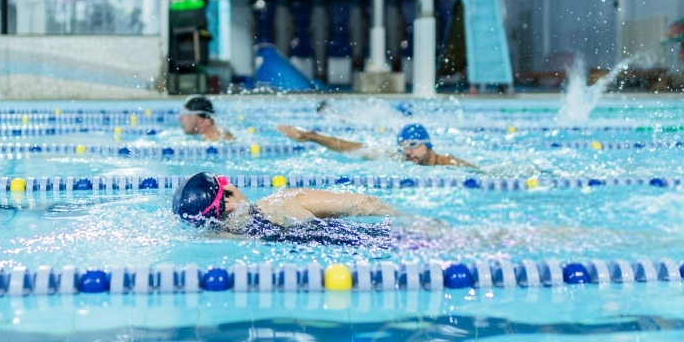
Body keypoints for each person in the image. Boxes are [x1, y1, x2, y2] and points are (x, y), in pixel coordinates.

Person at [171, 172, 440, 246]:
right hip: (375, 240)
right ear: (227, 198)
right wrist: (408, 216)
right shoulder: (283, 201)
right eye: (226, 183)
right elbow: (362, 204)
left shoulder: (215, 237)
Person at [276, 122, 475, 167]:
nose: (408, 152)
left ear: (427, 144)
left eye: (413, 145)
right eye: (403, 147)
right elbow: (353, 147)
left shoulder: (449, 163)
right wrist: (312, 137)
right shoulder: (399, 158)